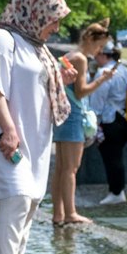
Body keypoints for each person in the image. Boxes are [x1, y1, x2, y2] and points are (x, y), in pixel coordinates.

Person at [0, 0, 72, 254]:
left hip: (37, 135)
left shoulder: (36, 46)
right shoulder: (1, 40)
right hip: (6, 132)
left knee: (32, 199)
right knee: (17, 195)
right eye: (53, 19)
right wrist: (9, 129)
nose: (56, 27)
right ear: (34, 11)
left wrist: (62, 80)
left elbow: (38, 88)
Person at [50, 20, 113, 227]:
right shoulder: (80, 59)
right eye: (100, 46)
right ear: (91, 40)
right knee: (71, 168)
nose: (100, 51)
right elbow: (81, 91)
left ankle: (58, 214)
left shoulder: (69, 56)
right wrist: (102, 80)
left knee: (60, 168)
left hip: (62, 116)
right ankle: (70, 213)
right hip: (74, 116)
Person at [89, 50, 127, 205]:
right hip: (125, 118)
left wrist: (93, 122)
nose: (95, 59)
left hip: (110, 120)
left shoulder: (104, 73)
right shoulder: (123, 69)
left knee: (111, 156)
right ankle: (117, 190)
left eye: (97, 56)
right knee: (116, 155)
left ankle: (116, 191)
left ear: (105, 56)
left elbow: (97, 101)